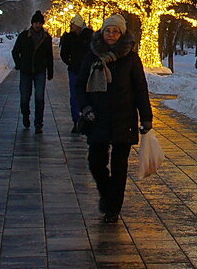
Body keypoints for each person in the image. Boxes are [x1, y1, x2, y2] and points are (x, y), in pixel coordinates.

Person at [75, 13, 152, 224]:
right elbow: (80, 86)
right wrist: (85, 107)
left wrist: (146, 118)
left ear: (122, 34)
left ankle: (113, 208)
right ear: (102, 31)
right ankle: (107, 193)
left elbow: (140, 89)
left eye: (116, 31)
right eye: (108, 30)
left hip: (123, 118)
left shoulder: (131, 58)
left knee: (119, 166)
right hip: (97, 117)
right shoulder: (92, 56)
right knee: (95, 163)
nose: (111, 34)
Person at [11, 10, 54, 133]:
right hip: (26, 71)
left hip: (40, 71)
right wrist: (19, 64)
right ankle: (25, 114)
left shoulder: (46, 38)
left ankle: (38, 123)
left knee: (39, 97)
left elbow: (49, 55)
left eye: (40, 23)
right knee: (25, 97)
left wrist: (50, 70)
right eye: (35, 23)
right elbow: (15, 51)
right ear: (32, 23)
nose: (37, 25)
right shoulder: (24, 36)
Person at [58, 14, 94, 133]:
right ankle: (76, 120)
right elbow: (63, 53)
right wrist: (70, 62)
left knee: (87, 94)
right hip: (74, 70)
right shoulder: (69, 37)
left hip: (88, 71)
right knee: (74, 96)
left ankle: (86, 117)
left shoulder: (89, 37)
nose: (71, 27)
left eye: (73, 25)